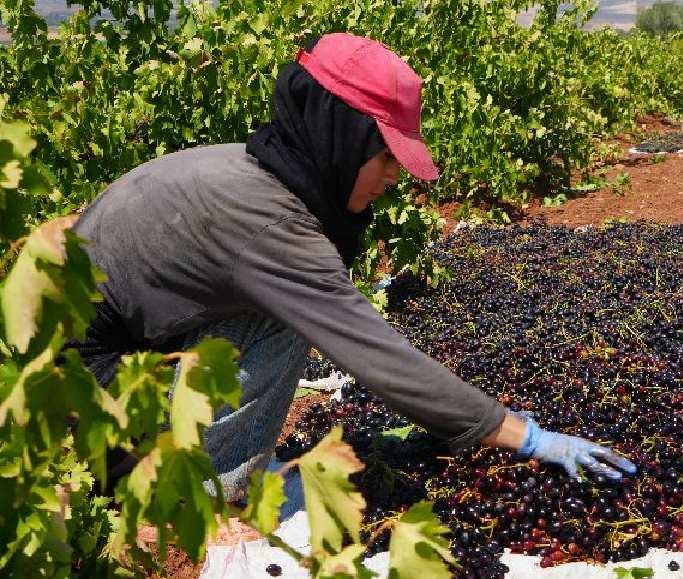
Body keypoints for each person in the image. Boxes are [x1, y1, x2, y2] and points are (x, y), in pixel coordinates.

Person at [70, 33, 635, 499]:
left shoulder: (252, 170)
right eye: (386, 153)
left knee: (289, 304)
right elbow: (371, 351)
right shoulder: (270, 226)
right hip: (90, 397)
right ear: (341, 136)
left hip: (94, 364)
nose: (394, 174)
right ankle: (198, 490)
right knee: (292, 314)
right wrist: (520, 434)